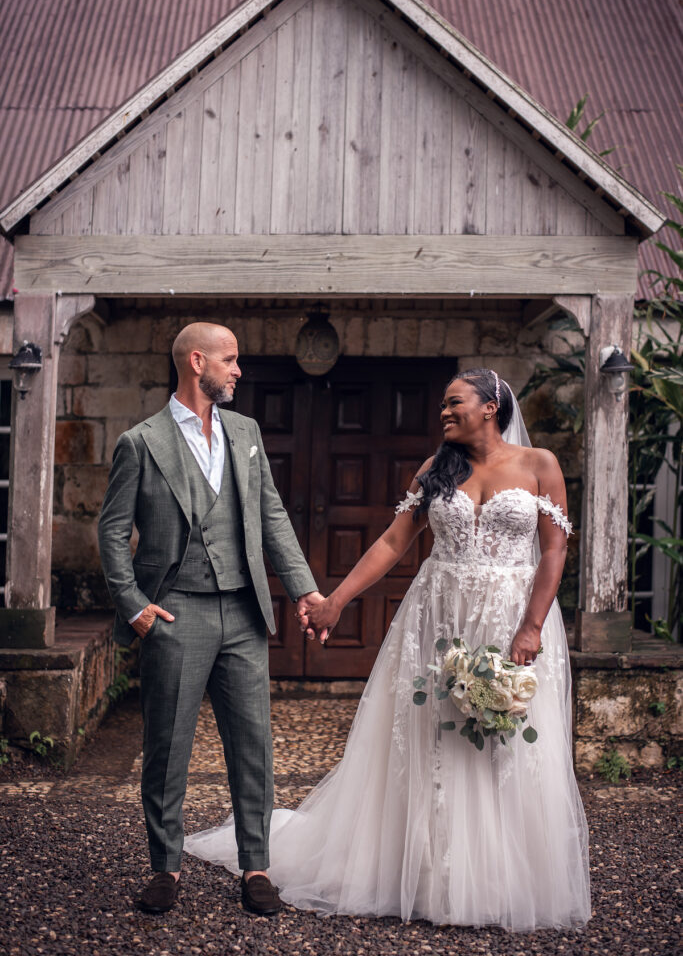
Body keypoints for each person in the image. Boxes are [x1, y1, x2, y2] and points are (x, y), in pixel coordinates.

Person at [184, 368, 591, 931]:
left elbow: (553, 552)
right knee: (436, 739)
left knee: (505, 742)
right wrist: (335, 602)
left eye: (455, 403)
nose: (444, 413)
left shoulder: (539, 464)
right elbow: (395, 541)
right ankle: (431, 875)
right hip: (438, 616)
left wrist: (531, 626)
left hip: (510, 614)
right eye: (442, 406)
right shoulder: (435, 469)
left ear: (492, 406)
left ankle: (501, 880)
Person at [98, 322, 323, 916]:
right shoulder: (141, 442)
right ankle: (164, 868)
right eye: (231, 360)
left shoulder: (245, 432)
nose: (238, 370)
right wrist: (133, 605)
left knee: (254, 746)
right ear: (197, 362)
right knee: (167, 747)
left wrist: (302, 589)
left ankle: (256, 867)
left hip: (244, 613)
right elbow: (112, 531)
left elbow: (272, 516)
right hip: (176, 611)